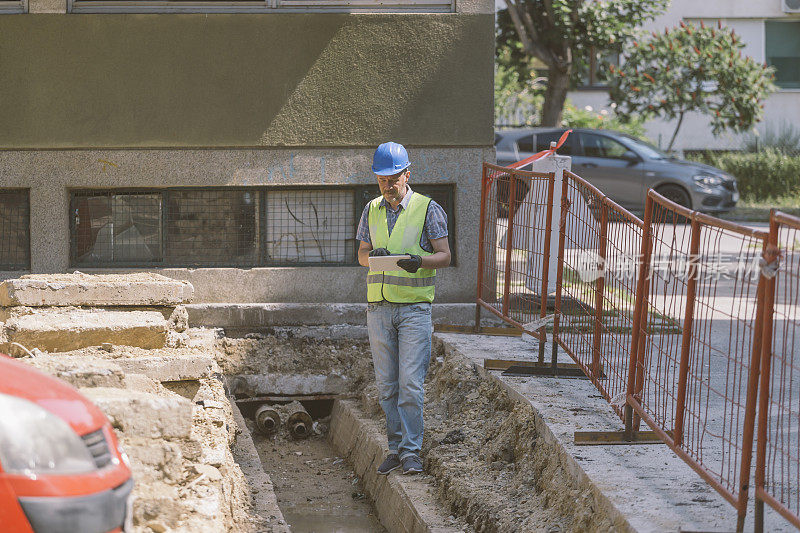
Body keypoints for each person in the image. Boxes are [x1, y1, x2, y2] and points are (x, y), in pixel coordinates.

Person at [356, 141, 451, 475]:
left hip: (413, 311)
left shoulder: (428, 209)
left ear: (407, 175)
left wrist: (419, 261)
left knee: (410, 383)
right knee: (387, 385)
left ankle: (412, 452)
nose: (388, 184)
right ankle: (395, 449)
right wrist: (374, 256)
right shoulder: (372, 209)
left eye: (393, 178)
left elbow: (445, 256)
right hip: (378, 310)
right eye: (382, 179)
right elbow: (362, 255)